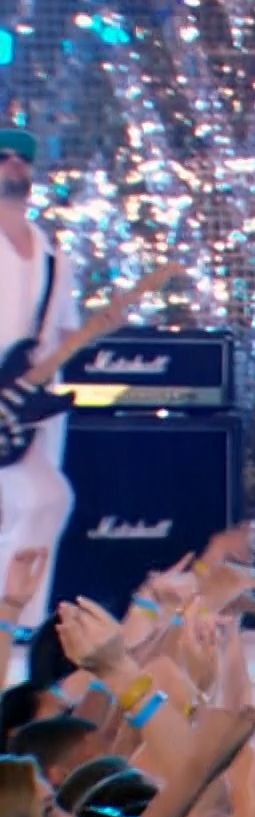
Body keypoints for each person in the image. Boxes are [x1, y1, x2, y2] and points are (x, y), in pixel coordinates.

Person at [0, 128, 78, 633]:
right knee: (34, 499)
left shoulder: (54, 257)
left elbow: (62, 332)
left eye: (21, 159)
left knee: (45, 501)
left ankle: (21, 625)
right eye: (3, 157)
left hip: (32, 409)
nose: (13, 165)